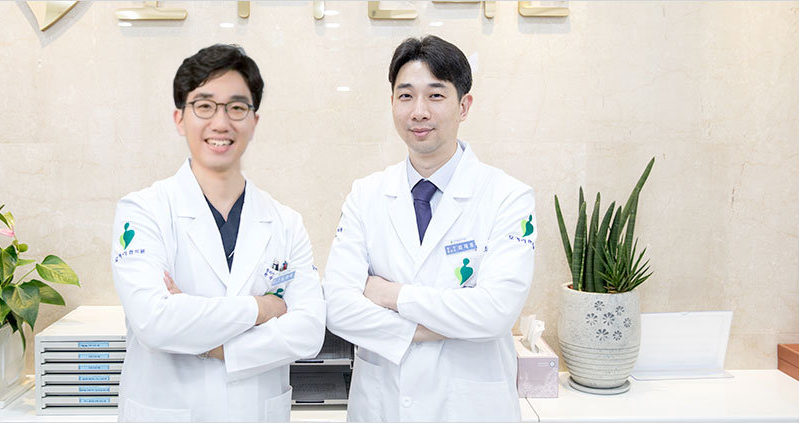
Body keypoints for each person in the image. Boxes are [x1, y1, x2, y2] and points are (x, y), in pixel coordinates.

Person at [323, 35, 537, 422]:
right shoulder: (365, 195)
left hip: (470, 408)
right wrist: (443, 325)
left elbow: (495, 313)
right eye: (405, 96)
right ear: (392, 102)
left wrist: (390, 294)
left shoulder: (508, 197)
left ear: (464, 106)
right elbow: (338, 307)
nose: (419, 111)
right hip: (383, 406)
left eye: (435, 96)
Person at [111, 44, 326, 422]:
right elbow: (154, 321)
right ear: (180, 119)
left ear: (254, 121)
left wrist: (208, 344)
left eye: (236, 107)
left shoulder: (285, 222)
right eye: (204, 106)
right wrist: (263, 308)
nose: (221, 122)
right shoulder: (144, 211)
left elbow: (308, 332)